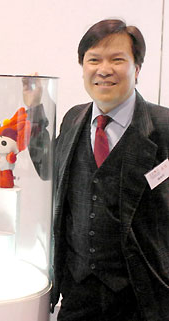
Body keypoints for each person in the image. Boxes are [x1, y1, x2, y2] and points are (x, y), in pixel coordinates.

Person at [45, 19, 169, 320]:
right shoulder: (73, 119)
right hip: (76, 292)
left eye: (117, 60)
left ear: (136, 69)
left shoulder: (164, 127)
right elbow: (50, 171)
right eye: (94, 60)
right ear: (83, 67)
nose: (104, 69)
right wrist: (36, 110)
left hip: (143, 296)